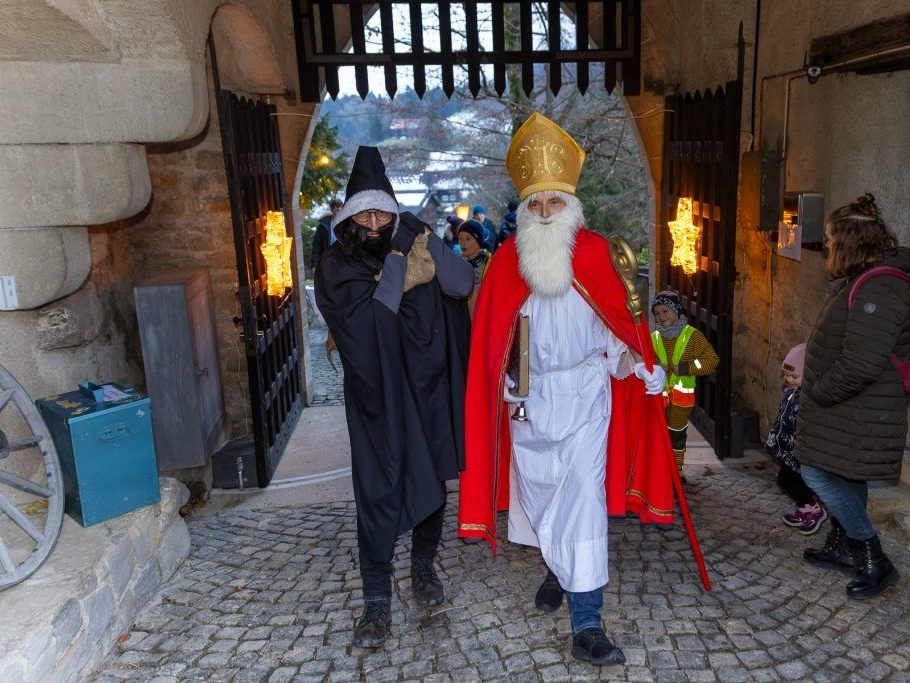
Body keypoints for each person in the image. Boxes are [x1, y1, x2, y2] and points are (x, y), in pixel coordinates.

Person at [458, 112, 674, 666]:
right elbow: (491, 346)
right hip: (528, 405)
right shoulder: (506, 264)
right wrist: (505, 388)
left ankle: (587, 622)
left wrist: (640, 365)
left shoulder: (597, 255)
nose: (546, 212)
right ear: (524, 210)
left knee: (582, 502)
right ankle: (558, 569)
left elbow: (619, 333)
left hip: (585, 399)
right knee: (538, 496)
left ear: (572, 205)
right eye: (536, 204)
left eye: (555, 202)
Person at [314, 146, 473, 647]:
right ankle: (376, 600)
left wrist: (427, 242)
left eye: (383, 213)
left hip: (425, 388)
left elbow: (461, 284)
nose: (374, 223)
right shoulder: (336, 267)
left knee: (432, 480)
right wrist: (399, 262)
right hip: (376, 397)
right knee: (378, 489)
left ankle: (423, 567)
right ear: (348, 217)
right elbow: (376, 316)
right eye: (365, 214)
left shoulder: (413, 240)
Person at [798, 193, 909, 599]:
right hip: (854, 405)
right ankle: (845, 545)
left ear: (849, 242)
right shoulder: (867, 277)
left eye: (831, 238)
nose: (827, 245)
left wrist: (818, 390)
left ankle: (871, 555)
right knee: (845, 471)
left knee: (816, 472)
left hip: (861, 405)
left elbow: (861, 362)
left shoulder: (881, 287)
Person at [650, 291, 720, 480]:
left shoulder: (692, 336)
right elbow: (647, 360)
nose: (661, 317)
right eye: (656, 313)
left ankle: (676, 469)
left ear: (676, 310)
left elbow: (711, 361)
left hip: (681, 398)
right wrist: (656, 365)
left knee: (676, 434)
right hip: (659, 397)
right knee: (659, 433)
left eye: (665, 311)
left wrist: (685, 368)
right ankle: (661, 468)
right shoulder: (654, 338)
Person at [766, 343, 827, 534]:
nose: (789, 379)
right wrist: (775, 437)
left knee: (789, 481)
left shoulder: (811, 399)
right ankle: (804, 508)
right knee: (787, 480)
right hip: (788, 449)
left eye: (794, 376)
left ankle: (814, 509)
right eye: (786, 375)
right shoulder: (791, 392)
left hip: (801, 450)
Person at [457, 218, 492, 316]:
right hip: (461, 316)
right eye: (460, 239)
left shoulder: (489, 263)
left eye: (468, 238)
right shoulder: (457, 262)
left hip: (482, 314)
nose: (463, 243)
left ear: (478, 240)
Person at [310, 197, 342, 273]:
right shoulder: (323, 226)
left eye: (341, 209)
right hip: (327, 261)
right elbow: (316, 245)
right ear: (331, 210)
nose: (340, 212)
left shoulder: (346, 224)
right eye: (337, 210)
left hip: (342, 262)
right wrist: (314, 264)